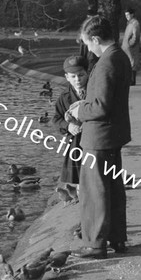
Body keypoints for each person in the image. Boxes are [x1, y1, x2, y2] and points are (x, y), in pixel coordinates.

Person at [67, 16, 132, 259]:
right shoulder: (120, 56)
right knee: (113, 190)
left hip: (98, 137)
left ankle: (95, 244)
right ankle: (117, 238)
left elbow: (101, 106)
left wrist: (79, 109)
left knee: (94, 193)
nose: (88, 48)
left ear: (95, 39)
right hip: (113, 135)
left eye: (87, 43)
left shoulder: (106, 62)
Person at [52, 55, 88, 185]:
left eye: (81, 75)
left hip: (92, 138)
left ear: (87, 73)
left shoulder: (95, 91)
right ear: (67, 77)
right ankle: (78, 192)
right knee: (77, 174)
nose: (77, 79)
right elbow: (56, 119)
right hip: (75, 141)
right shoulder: (64, 97)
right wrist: (68, 126)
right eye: (73, 76)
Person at [122, 8, 141, 86]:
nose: (126, 16)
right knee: (128, 63)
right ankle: (129, 80)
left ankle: (132, 80)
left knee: (132, 63)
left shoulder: (135, 23)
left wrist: (131, 44)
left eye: (128, 14)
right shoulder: (129, 23)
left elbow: (136, 36)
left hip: (131, 47)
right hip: (127, 47)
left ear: (132, 14)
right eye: (125, 15)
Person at [79, 8, 99, 72]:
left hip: (91, 48)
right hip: (86, 46)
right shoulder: (87, 24)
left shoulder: (93, 25)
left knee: (91, 60)